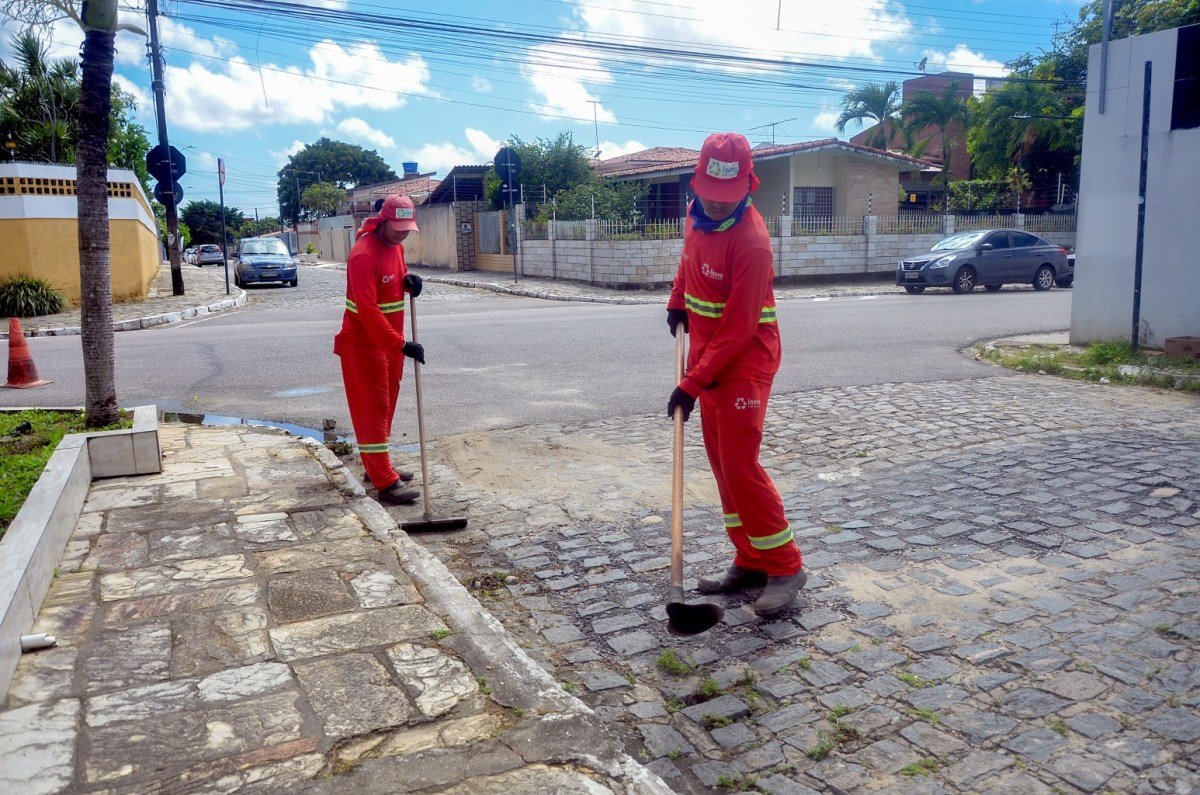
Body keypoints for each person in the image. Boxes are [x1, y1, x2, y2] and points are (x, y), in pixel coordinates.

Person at [665, 132, 806, 618]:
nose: (717, 206)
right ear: (698, 184)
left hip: (745, 360)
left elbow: (741, 328)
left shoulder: (753, 243)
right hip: (708, 356)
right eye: (709, 195)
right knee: (723, 466)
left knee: (742, 465)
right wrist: (677, 300)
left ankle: (786, 565)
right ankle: (750, 557)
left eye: (727, 199)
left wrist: (690, 383)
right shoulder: (695, 214)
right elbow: (687, 261)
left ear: (748, 185)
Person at [334, 193, 426, 505]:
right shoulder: (362, 255)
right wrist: (401, 344)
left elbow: (391, 280)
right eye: (397, 227)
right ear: (383, 221)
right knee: (374, 410)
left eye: (406, 228)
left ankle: (378, 466)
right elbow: (368, 310)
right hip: (364, 344)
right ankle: (384, 482)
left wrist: (407, 281)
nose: (402, 233)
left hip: (389, 343)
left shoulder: (395, 247)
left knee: (386, 407)